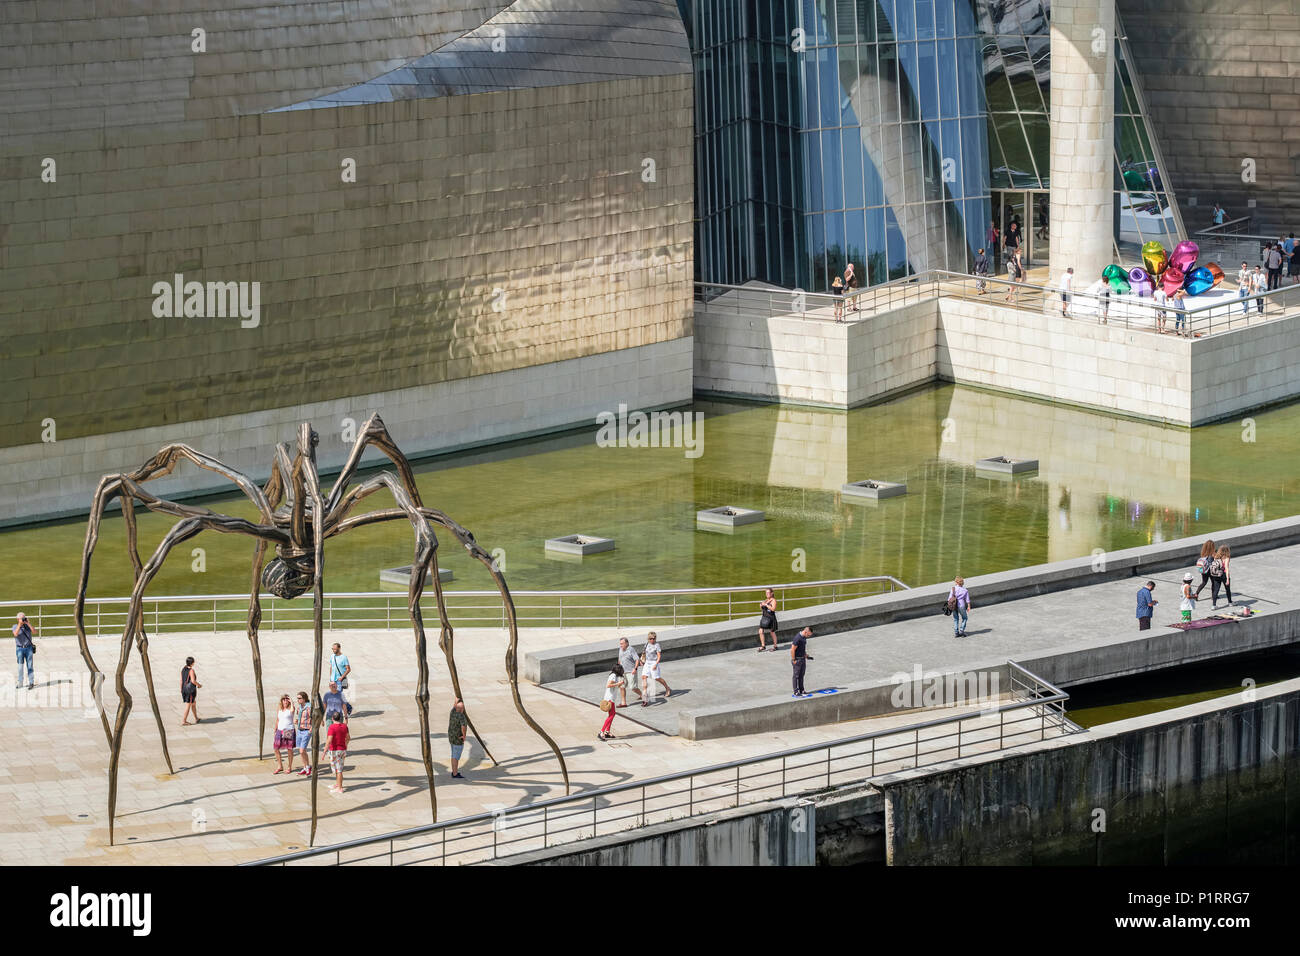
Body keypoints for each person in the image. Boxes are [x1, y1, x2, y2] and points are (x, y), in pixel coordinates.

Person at [640, 631, 670, 704]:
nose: (652, 640)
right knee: (644, 677)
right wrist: (641, 660)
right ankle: (645, 695)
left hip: (654, 662)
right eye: (650, 638)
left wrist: (656, 664)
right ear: (648, 638)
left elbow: (659, 656)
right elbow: (644, 653)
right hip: (647, 662)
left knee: (656, 678)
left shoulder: (657, 645)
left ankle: (667, 688)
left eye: (654, 638)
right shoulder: (646, 644)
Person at [325, 710, 350, 794]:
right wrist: (345, 745)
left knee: (339, 770)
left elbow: (329, 740)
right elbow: (348, 738)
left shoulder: (332, 727)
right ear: (340, 718)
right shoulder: (344, 726)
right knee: (338, 768)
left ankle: (340, 788)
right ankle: (338, 784)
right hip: (342, 750)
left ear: (332, 718)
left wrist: (325, 750)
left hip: (334, 750)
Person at [598, 664, 624, 741]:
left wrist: (619, 684)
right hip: (610, 698)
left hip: (611, 698)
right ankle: (602, 731)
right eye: (621, 669)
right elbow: (608, 685)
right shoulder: (613, 676)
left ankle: (607, 732)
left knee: (612, 714)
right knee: (612, 715)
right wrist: (618, 684)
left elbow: (614, 686)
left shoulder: (615, 676)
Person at [272, 694, 297, 774]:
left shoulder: (291, 709)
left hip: (288, 730)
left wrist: (291, 701)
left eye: (287, 699)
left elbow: (293, 709)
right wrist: (275, 729)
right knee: (276, 748)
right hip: (280, 730)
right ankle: (280, 766)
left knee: (289, 749)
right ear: (281, 701)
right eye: (284, 699)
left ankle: (289, 767)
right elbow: (278, 719)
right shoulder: (279, 709)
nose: (285, 701)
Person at [293, 691, 314, 776]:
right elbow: (300, 718)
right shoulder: (299, 708)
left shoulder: (309, 707)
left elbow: (314, 718)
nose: (298, 700)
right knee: (301, 751)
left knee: (302, 751)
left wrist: (311, 729)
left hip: (306, 730)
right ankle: (305, 767)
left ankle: (308, 767)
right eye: (297, 698)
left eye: (299, 698)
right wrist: (297, 721)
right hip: (300, 730)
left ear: (304, 699)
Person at [12, 612, 35, 690]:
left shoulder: (27, 626)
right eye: (22, 618)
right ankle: (20, 682)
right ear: (18, 619)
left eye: (24, 618)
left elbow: (34, 632)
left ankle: (31, 682)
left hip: (29, 648)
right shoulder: (15, 626)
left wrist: (28, 623)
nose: (23, 619)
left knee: (30, 666)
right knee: (20, 667)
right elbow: (15, 634)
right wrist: (20, 624)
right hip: (20, 649)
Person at [328, 642, 352, 715]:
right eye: (332, 649)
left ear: (339, 648)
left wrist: (341, 677)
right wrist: (330, 678)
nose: (333, 650)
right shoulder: (332, 656)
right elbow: (331, 667)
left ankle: (337, 712)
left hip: (340, 680)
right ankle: (348, 707)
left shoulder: (344, 658)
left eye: (335, 649)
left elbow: (348, 669)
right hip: (333, 680)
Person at [448, 699, 470, 778]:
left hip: (451, 737)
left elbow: (455, 706)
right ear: (462, 709)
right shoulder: (461, 716)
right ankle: (455, 773)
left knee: (453, 753)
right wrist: (464, 735)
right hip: (458, 738)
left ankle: (454, 771)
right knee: (455, 756)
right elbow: (463, 727)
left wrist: (456, 699)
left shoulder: (452, 712)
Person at [790, 626, 814, 698]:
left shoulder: (804, 637)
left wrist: (805, 655)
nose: (808, 636)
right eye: (808, 635)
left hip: (802, 658)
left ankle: (802, 690)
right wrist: (794, 660)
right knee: (796, 676)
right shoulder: (797, 638)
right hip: (797, 659)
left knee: (801, 675)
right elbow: (792, 649)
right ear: (806, 632)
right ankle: (796, 691)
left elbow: (802, 648)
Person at [616, 637, 641, 706]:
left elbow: (637, 659)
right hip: (622, 672)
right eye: (620, 644)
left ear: (627, 643)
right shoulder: (620, 649)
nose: (621, 645)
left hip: (631, 671)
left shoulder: (631, 649)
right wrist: (618, 668)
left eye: (622, 643)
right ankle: (623, 703)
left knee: (633, 687)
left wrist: (635, 669)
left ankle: (642, 695)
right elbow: (619, 659)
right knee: (622, 686)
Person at [180, 656, 200, 725]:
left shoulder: (183, 669)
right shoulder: (191, 670)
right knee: (188, 705)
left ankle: (196, 718)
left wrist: (181, 689)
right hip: (190, 691)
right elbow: (193, 681)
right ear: (192, 663)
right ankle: (184, 721)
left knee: (193, 703)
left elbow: (181, 680)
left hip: (184, 689)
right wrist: (199, 685)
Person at [757, 587, 779, 652]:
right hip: (764, 618)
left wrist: (766, 605)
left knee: (772, 632)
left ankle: (775, 646)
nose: (767, 594)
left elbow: (773, 609)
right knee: (760, 631)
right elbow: (763, 609)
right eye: (766, 593)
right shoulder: (766, 600)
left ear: (772, 593)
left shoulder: (773, 600)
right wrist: (761, 605)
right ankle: (763, 646)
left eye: (768, 593)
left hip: (771, 618)